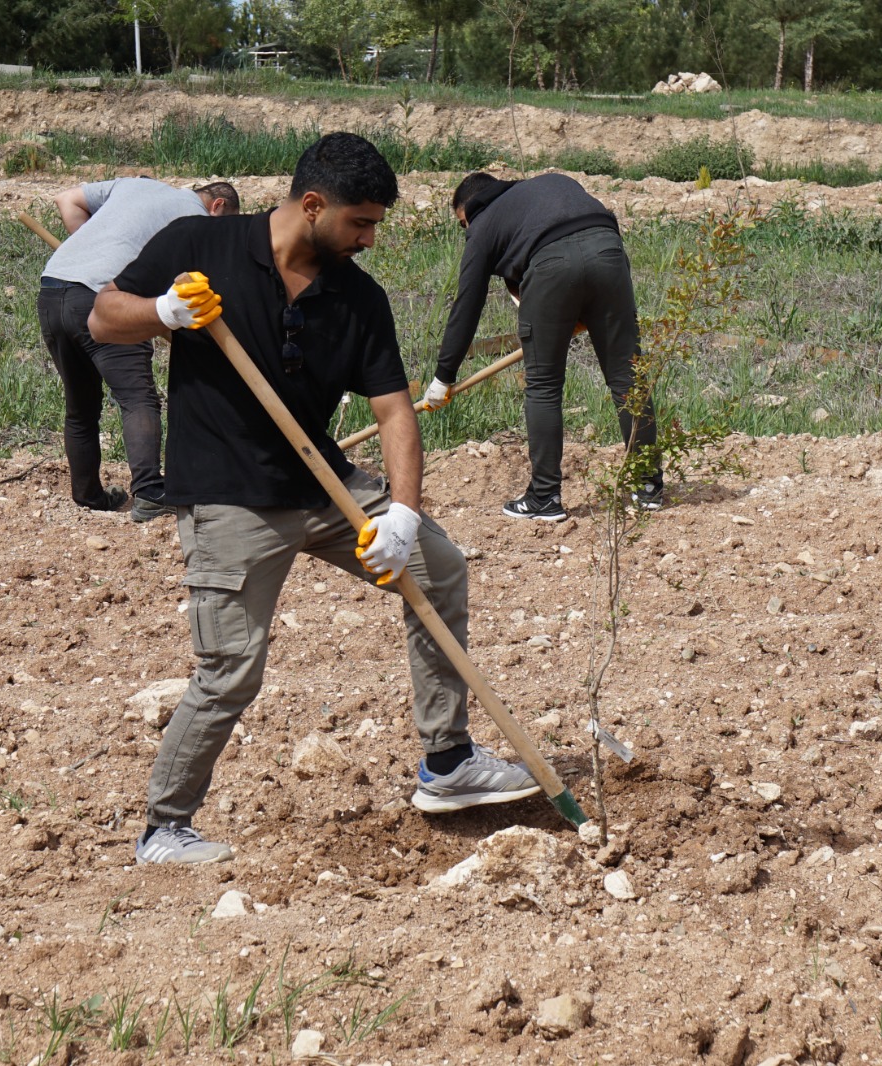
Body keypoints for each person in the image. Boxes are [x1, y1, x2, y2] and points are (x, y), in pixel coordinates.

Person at [89, 133, 541, 866]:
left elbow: (395, 412)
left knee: (439, 567)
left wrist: (401, 511)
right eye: (359, 223)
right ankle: (164, 829)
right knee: (230, 670)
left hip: (323, 486)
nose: (368, 239)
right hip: (228, 497)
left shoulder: (357, 297)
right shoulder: (200, 243)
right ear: (311, 205)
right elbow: (104, 316)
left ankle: (448, 762)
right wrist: (165, 313)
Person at [422, 171, 662, 523]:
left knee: (544, 386)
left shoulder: (483, 221)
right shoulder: (552, 185)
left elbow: (467, 304)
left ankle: (545, 497)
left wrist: (444, 376)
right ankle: (649, 487)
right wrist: (587, 303)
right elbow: (591, 236)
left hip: (552, 265)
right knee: (628, 377)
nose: (467, 231)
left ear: (471, 208)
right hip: (609, 251)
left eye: (463, 224)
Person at [38, 176, 240, 522]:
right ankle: (149, 492)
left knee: (81, 407)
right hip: (101, 299)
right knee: (137, 398)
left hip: (52, 289)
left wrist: (95, 253)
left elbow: (66, 199)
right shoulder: (197, 221)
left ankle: (88, 496)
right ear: (218, 205)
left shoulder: (135, 185)